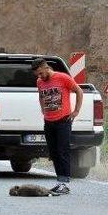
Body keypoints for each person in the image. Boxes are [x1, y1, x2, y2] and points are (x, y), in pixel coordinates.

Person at [31, 58, 83, 195]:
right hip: (48, 122)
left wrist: (76, 111)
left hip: (63, 121)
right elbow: (41, 96)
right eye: (37, 75)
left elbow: (79, 91)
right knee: (54, 153)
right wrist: (43, 110)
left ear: (46, 67)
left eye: (41, 73)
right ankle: (59, 182)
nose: (40, 77)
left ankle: (64, 183)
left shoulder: (63, 78)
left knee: (62, 151)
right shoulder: (39, 82)